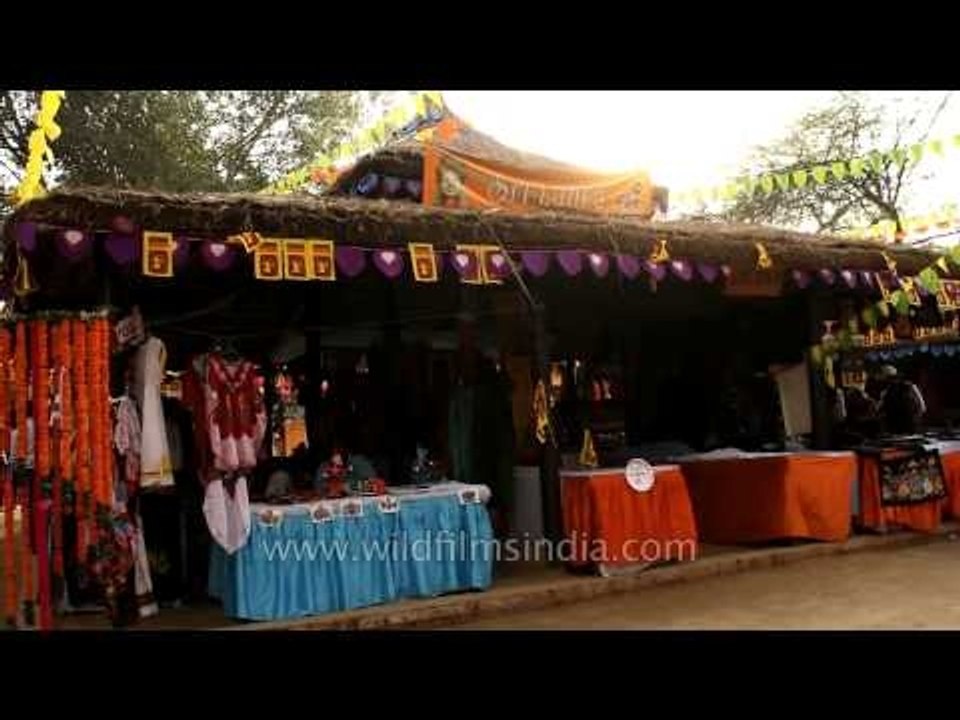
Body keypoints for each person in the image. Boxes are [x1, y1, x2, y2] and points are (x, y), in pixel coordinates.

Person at [876, 365, 927, 435]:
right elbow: (923, 407)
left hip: (895, 428)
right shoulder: (911, 386)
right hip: (911, 426)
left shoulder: (886, 391)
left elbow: (878, 409)